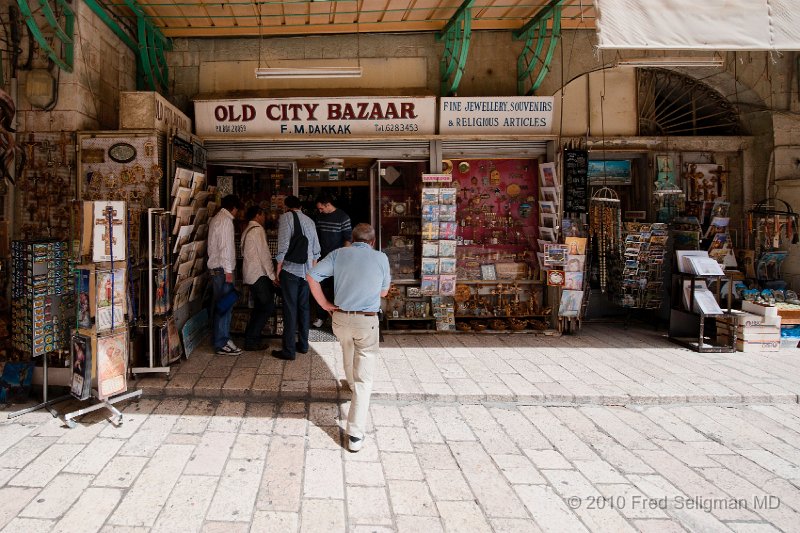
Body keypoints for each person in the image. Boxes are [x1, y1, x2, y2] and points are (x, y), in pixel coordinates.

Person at [307, 223, 390, 452]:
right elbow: (383, 292)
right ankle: (354, 434)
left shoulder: (338, 254)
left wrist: (323, 304)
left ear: (352, 240)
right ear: (372, 242)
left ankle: (351, 384)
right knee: (366, 376)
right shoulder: (381, 258)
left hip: (340, 318)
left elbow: (311, 276)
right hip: (366, 320)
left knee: (347, 347)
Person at [272, 195, 320, 360]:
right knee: (304, 308)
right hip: (307, 273)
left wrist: (278, 268)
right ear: (300, 206)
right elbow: (316, 251)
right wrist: (312, 272)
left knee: (290, 309)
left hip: (291, 271)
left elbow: (283, 246)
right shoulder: (310, 221)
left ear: (286, 207)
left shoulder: (286, 218)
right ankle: (304, 345)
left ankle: (289, 350)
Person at [207, 194, 243, 355]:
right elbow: (226, 249)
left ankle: (220, 338)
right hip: (223, 270)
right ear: (234, 208)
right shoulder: (226, 221)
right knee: (225, 307)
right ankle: (222, 342)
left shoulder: (216, 218)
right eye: (237, 210)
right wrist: (229, 273)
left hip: (217, 270)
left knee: (221, 306)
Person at [312, 193, 352, 328]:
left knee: (338, 289)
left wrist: (343, 258)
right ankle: (320, 317)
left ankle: (338, 319)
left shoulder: (343, 217)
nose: (319, 211)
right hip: (322, 259)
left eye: (321, 208)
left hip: (337, 259)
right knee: (320, 287)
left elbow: (348, 239)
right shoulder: (319, 217)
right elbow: (315, 237)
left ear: (327, 205)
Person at [241, 205, 277, 351]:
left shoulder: (247, 229)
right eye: (263, 215)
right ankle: (251, 340)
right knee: (267, 307)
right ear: (258, 214)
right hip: (258, 275)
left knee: (259, 308)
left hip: (250, 274)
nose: (265, 218)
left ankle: (251, 337)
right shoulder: (257, 230)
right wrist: (272, 275)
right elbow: (265, 255)